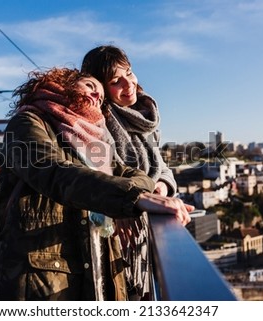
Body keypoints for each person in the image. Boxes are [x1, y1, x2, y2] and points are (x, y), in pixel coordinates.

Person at [0, 67, 191, 301]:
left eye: (100, 96)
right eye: (90, 86)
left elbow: (136, 175)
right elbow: (55, 172)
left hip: (91, 274)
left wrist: (135, 193)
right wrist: (133, 198)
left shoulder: (93, 140)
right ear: (63, 84)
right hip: (34, 284)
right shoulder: (27, 123)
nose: (95, 96)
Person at [81, 45, 185, 300]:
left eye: (130, 73)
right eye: (117, 81)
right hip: (116, 237)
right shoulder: (95, 122)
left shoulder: (143, 117)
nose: (129, 84)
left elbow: (163, 169)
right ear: (100, 88)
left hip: (144, 232)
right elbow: (97, 175)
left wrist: (159, 188)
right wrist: (129, 201)